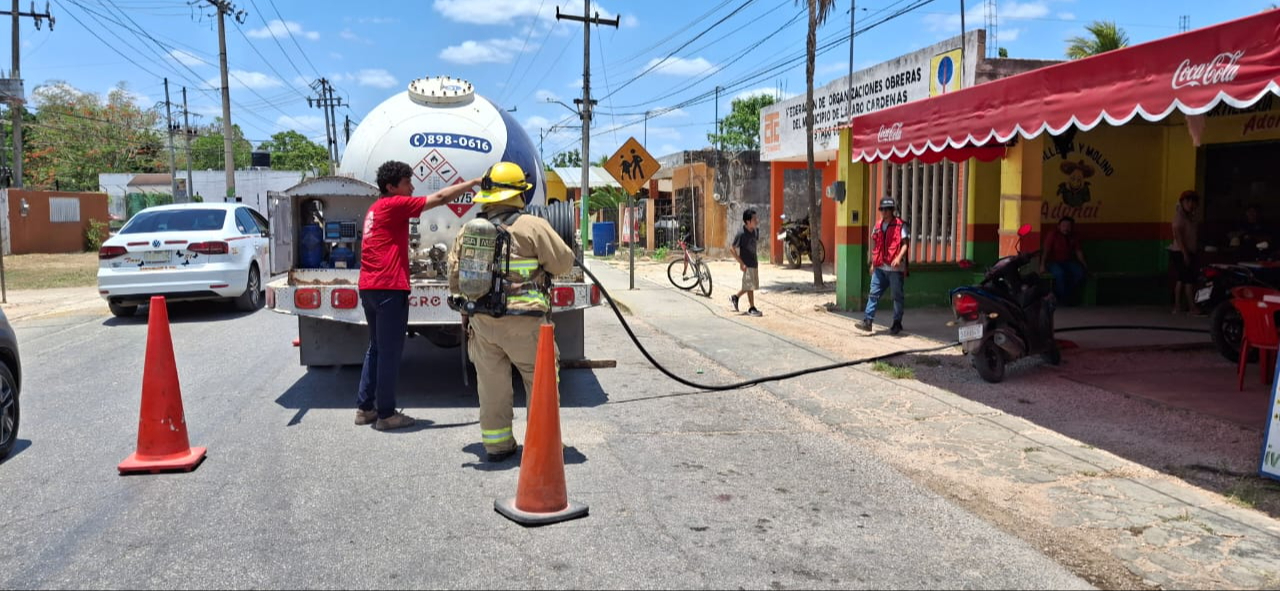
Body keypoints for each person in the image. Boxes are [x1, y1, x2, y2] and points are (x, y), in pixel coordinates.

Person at [448, 161, 575, 463]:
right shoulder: (532, 226)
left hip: (482, 323)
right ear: (519, 192)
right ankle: (541, 446)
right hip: (524, 323)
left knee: (492, 387)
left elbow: (454, 277)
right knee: (540, 382)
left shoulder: (469, 230)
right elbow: (564, 263)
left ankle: (497, 446)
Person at [355, 161, 483, 431]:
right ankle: (386, 415)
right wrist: (471, 183)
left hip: (369, 286)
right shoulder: (393, 204)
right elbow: (439, 198)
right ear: (391, 187)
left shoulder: (376, 209)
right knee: (389, 352)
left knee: (376, 348)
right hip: (389, 288)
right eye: (406, 183)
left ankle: (365, 408)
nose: (412, 187)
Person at [856, 197, 909, 335]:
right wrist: (873, 263)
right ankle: (868, 321)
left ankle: (897, 323)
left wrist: (898, 258)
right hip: (880, 267)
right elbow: (877, 246)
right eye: (882, 209)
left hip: (895, 268)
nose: (883, 212)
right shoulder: (878, 226)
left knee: (897, 296)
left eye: (886, 209)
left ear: (892, 210)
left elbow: (905, 244)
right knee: (873, 293)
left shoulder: (900, 225)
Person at [1039, 216, 1089, 306]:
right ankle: (1062, 299)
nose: (1066, 228)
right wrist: (1042, 265)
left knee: (1080, 273)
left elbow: (1078, 252)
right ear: (1059, 226)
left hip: (1068, 262)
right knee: (1060, 274)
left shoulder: (1074, 236)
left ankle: (1067, 294)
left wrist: (1084, 265)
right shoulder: (1053, 234)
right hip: (1053, 262)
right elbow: (1046, 250)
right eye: (1064, 226)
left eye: (1068, 226)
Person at [1169, 190, 1200, 315]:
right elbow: (1178, 236)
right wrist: (1185, 253)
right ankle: (1191, 307)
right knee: (1188, 280)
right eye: (1188, 201)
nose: (1191, 204)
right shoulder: (1179, 217)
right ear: (1182, 202)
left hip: (1187, 251)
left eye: (1193, 202)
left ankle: (1178, 307)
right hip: (1181, 252)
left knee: (1182, 279)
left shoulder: (1189, 217)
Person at [729, 208, 762, 317]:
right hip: (747, 264)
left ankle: (735, 297)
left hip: (754, 262)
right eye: (754, 219)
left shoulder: (756, 231)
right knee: (750, 286)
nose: (757, 220)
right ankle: (751, 307)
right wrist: (741, 262)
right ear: (748, 221)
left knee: (751, 285)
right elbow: (732, 249)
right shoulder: (741, 234)